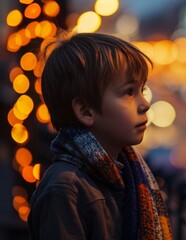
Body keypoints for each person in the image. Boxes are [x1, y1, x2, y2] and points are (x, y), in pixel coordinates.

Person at [28, 31, 172, 240]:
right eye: (129, 92)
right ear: (86, 111)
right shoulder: (65, 190)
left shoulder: (124, 173)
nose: (145, 104)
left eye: (142, 89)